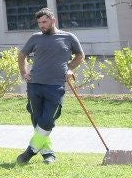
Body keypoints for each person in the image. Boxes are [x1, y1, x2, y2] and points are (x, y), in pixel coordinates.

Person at [16, 8, 85, 166]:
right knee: (37, 120)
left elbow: (80, 55)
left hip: (55, 86)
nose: (42, 25)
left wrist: (70, 68)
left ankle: (29, 152)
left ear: (53, 20)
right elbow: (22, 55)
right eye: (39, 23)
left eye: (45, 22)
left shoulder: (68, 37)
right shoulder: (35, 38)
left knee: (48, 120)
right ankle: (48, 154)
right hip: (34, 85)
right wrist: (24, 72)